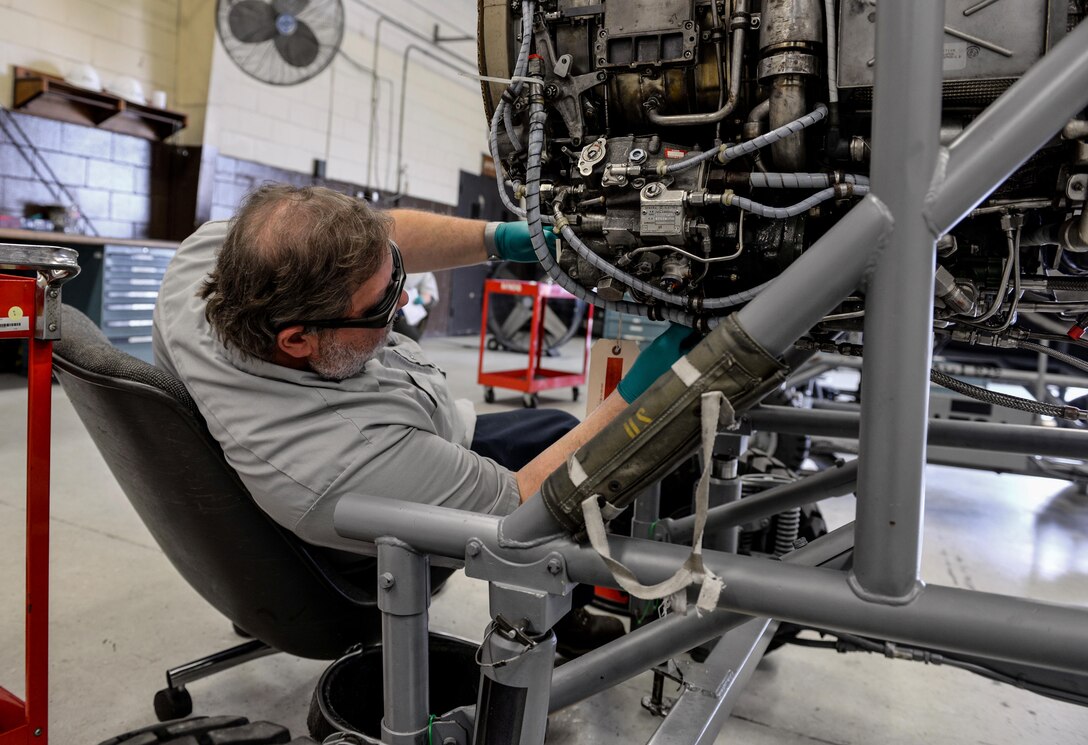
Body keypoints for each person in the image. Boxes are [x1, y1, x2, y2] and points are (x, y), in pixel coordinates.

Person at [152, 184, 694, 654]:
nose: (404, 299)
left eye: (395, 277)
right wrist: (645, 390)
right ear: (298, 339)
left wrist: (507, 239)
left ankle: (571, 604)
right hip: (369, 529)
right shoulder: (347, 458)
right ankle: (620, 616)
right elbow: (523, 510)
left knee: (553, 429)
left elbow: (383, 236)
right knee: (615, 466)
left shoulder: (208, 258)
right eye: (382, 304)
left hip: (412, 424)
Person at [391, 271, 438, 341]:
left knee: (411, 336)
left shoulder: (425, 271)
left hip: (410, 309)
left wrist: (424, 298)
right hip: (390, 303)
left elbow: (430, 293)